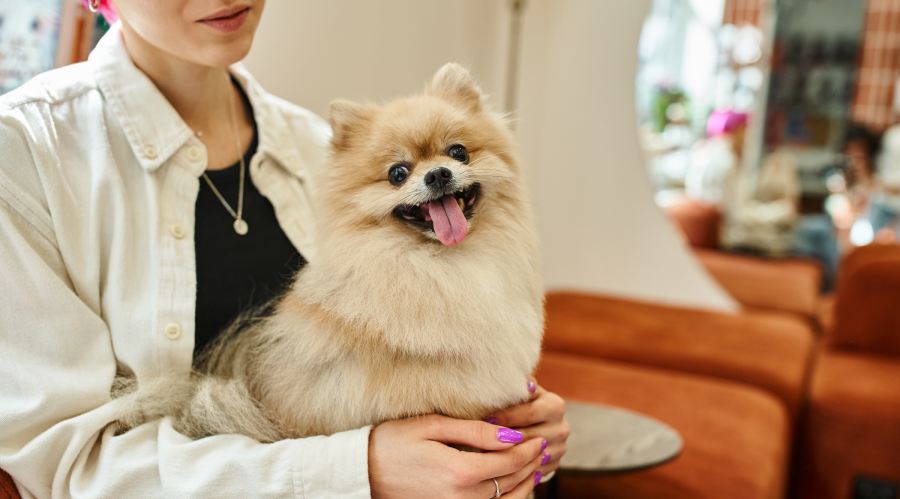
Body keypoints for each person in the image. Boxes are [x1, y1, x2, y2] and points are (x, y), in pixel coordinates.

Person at [0, 1, 568, 497]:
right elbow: (66, 471)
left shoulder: (321, 144)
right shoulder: (27, 154)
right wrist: (357, 471)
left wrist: (509, 440)